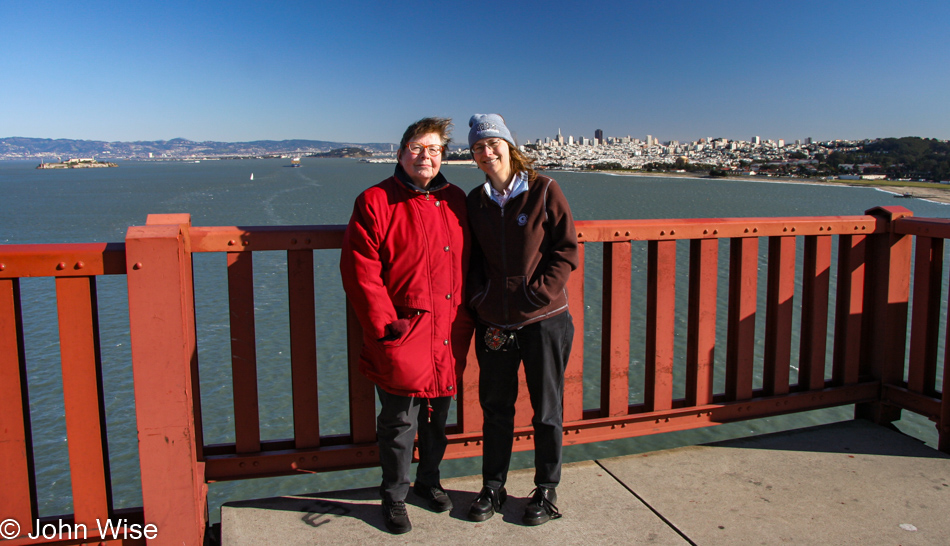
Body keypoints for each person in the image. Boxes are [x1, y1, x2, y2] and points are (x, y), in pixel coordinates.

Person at [340, 117, 471, 534]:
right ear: (400, 153)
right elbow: (361, 271)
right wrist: (385, 326)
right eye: (417, 148)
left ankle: (428, 482)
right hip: (403, 330)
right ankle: (394, 495)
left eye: (433, 149)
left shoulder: (458, 200)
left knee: (438, 413)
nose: (425, 156)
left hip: (449, 328)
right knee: (399, 420)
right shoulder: (375, 200)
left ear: (443, 156)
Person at [464, 113, 578, 526]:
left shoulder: (545, 190)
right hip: (494, 320)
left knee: (547, 409)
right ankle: (493, 486)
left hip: (544, 319)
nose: (487, 151)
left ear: (509, 147)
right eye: (479, 147)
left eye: (493, 143)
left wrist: (536, 293)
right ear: (474, 156)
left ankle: (546, 490)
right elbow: (471, 260)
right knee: (495, 408)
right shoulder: (474, 202)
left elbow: (565, 250)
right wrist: (481, 297)